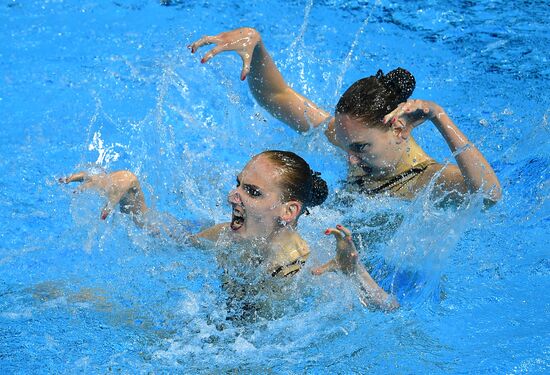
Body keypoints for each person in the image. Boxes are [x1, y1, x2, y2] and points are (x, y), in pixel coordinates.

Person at [189, 27, 502, 206]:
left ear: (400, 129)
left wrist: (439, 116)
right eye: (344, 143)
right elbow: (276, 97)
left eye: (360, 148)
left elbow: (489, 196)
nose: (350, 158)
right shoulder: (352, 139)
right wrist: (257, 47)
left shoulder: (427, 180)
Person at [59, 150, 398, 314]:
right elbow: (163, 237)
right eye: (238, 184)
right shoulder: (225, 235)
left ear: (289, 211)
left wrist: (356, 274)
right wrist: (131, 190)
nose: (231, 196)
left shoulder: (303, 267)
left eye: (252, 192)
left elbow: (389, 309)